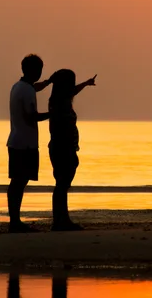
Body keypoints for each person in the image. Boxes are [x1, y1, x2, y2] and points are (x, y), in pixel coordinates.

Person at [6, 54, 52, 233]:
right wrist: (52, 113)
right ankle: (15, 222)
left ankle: (14, 220)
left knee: (17, 182)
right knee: (19, 182)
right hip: (24, 144)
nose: (40, 73)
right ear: (33, 70)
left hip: (17, 140)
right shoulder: (26, 90)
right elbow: (32, 116)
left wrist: (48, 82)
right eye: (39, 70)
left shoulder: (19, 86)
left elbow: (34, 88)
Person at [49, 69, 96, 231]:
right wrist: (71, 149)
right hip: (63, 148)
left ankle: (62, 219)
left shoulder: (59, 100)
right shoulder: (60, 103)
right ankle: (60, 221)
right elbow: (62, 129)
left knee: (62, 184)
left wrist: (86, 83)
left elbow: (73, 91)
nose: (73, 86)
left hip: (62, 148)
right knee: (62, 184)